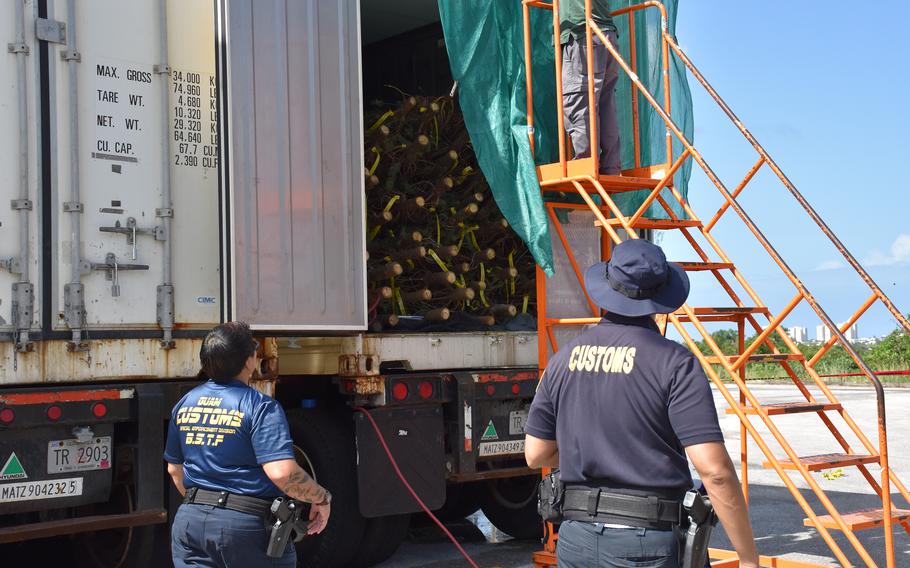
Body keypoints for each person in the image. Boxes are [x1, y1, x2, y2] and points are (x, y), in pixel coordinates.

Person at [524, 240, 759, 568]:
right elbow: (715, 471)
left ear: (606, 289)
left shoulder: (562, 360)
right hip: (646, 546)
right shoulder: (676, 364)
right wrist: (748, 558)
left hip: (576, 542)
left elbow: (535, 454)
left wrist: (596, 450)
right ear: (662, 300)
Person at [164, 321, 332, 567]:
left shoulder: (185, 403)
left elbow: (174, 470)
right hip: (247, 531)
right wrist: (321, 497)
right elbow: (281, 472)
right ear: (248, 361)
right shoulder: (261, 407)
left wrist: (206, 506)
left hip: (190, 523)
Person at [560, 0, 622, 175]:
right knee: (605, 103)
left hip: (583, 34)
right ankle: (611, 166)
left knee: (579, 100)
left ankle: (585, 164)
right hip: (606, 35)